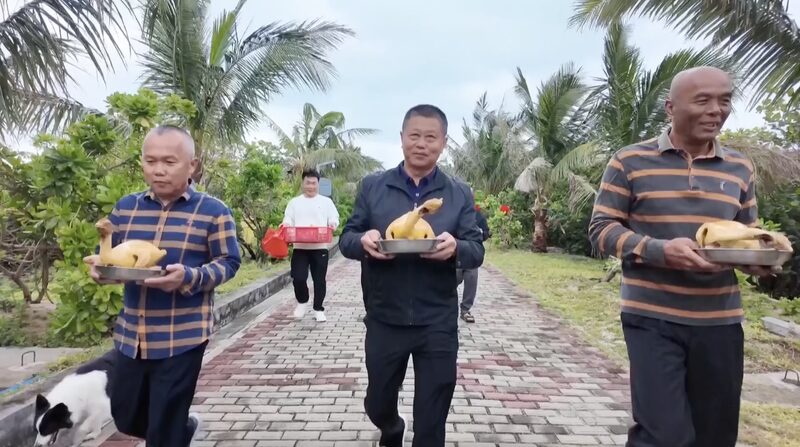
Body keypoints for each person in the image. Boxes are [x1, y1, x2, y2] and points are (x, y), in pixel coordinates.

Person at [588, 67, 776, 447]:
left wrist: (759, 260)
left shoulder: (740, 167)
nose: (716, 110)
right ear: (670, 108)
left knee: (715, 435)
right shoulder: (630, 161)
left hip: (720, 322)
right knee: (665, 436)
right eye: (703, 100)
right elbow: (601, 230)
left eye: (725, 101)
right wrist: (659, 250)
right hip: (651, 317)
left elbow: (747, 236)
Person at [84, 125, 241, 447]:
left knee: (162, 433)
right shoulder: (127, 207)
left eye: (169, 162)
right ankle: (183, 429)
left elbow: (229, 262)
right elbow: (115, 258)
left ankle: (172, 433)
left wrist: (189, 277)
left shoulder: (214, 211)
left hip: (183, 335)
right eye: (150, 161)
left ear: (192, 165)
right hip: (132, 334)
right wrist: (101, 269)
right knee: (125, 415)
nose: (158, 170)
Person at [340, 104, 485, 447]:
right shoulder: (373, 186)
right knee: (378, 402)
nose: (422, 144)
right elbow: (346, 238)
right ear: (402, 138)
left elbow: (476, 248)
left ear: (443, 143)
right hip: (384, 317)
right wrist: (363, 241)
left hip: (437, 321)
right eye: (414, 136)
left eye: (430, 137)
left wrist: (456, 248)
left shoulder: (457, 193)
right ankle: (390, 428)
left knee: (432, 421)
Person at [283, 169, 340, 322]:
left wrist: (333, 224)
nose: (310, 186)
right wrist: (286, 224)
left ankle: (318, 309)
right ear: (303, 183)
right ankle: (302, 301)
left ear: (318, 184)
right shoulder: (294, 202)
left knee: (319, 279)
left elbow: (334, 218)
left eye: (313, 183)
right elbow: (287, 219)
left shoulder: (326, 202)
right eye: (308, 183)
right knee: (298, 278)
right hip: (300, 247)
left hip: (320, 247)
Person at [456, 203, 491, 323]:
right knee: (452, 280)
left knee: (471, 279)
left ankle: (465, 310)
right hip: (455, 253)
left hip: (471, 254)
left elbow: (486, 232)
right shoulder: (453, 211)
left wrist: (480, 235)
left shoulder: (477, 214)